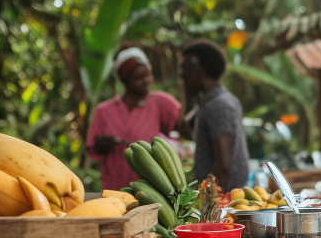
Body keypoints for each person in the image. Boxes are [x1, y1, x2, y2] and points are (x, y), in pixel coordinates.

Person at [87, 47, 180, 190]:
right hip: (115, 189)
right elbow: (93, 149)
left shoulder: (160, 103)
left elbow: (182, 126)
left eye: (148, 75)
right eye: (139, 78)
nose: (146, 81)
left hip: (151, 190)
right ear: (124, 79)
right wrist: (103, 143)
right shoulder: (104, 111)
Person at [180, 40, 250, 191]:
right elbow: (183, 126)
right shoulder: (216, 101)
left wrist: (212, 206)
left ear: (199, 71)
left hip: (223, 200)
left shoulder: (218, 105)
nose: (181, 75)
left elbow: (223, 166)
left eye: (184, 69)